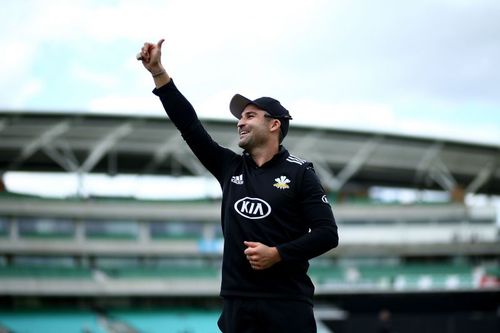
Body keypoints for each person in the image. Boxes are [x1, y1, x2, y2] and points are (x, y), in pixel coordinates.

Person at [138, 39, 339, 333]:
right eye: (240, 117)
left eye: (249, 116)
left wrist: (278, 253)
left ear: (274, 125)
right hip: (238, 303)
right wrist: (158, 73)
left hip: (287, 304)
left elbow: (327, 235)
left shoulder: (300, 173)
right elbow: (190, 126)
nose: (240, 123)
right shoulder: (229, 167)